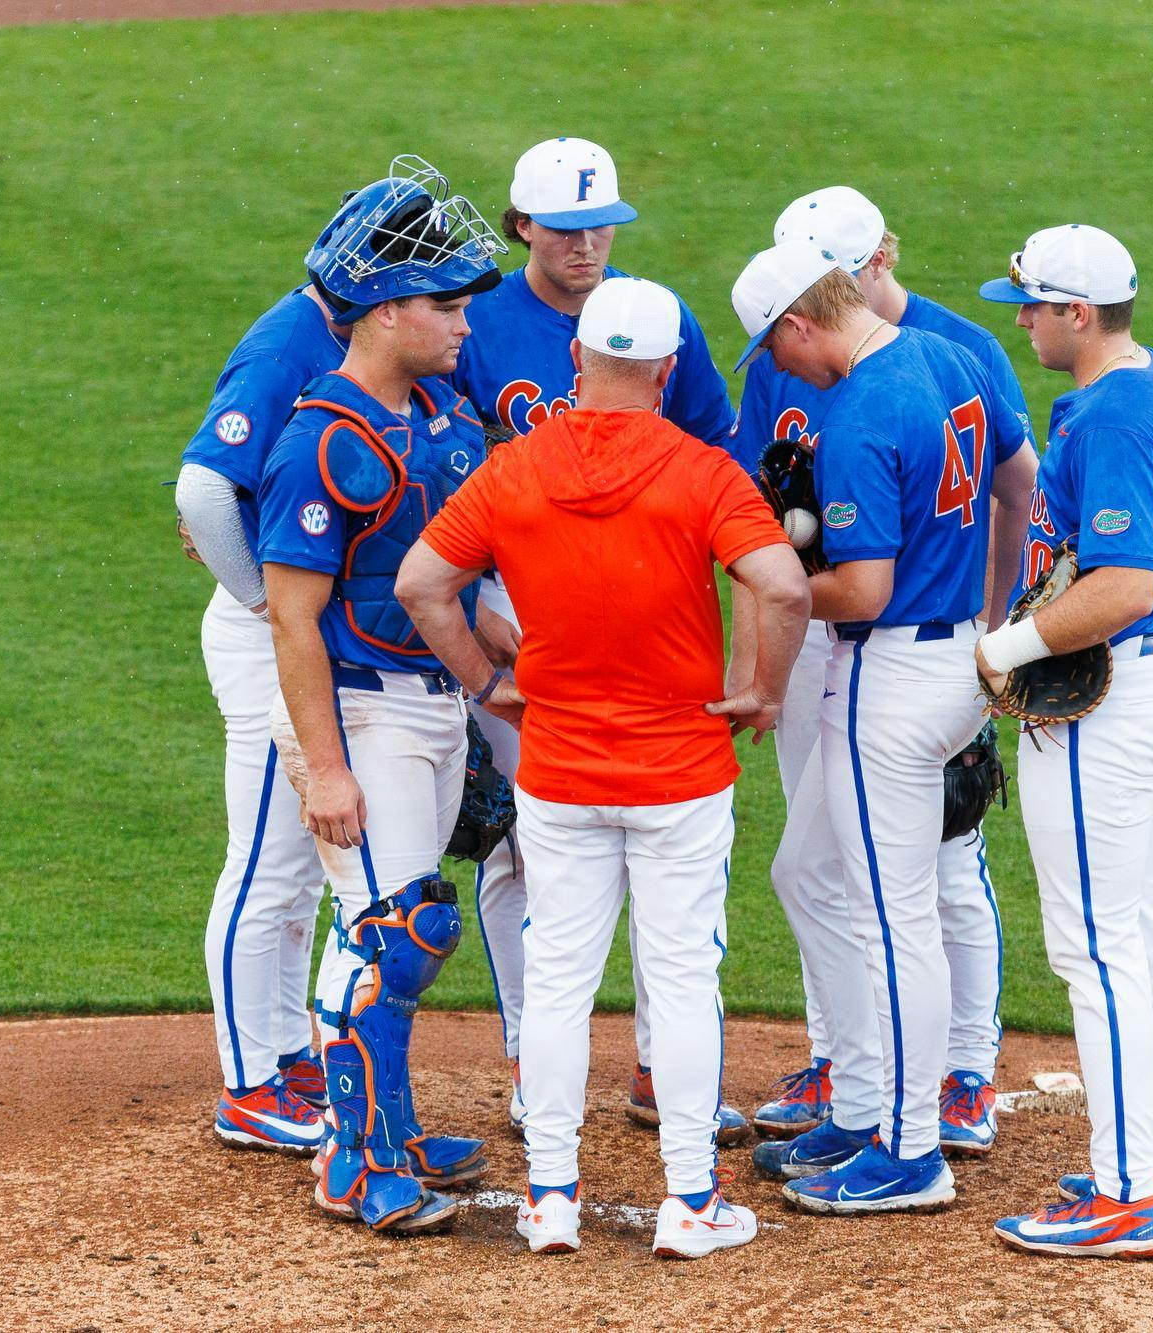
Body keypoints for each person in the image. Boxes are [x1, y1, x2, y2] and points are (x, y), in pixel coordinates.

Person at [398, 276, 809, 1259]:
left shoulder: (514, 469)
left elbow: (422, 583)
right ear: (667, 371)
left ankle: (547, 1199)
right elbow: (784, 585)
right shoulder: (700, 470)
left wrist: (487, 681)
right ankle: (690, 1202)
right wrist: (761, 687)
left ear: (576, 360)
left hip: (560, 770)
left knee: (555, 983)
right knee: (679, 981)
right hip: (679, 773)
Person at [446, 136, 748, 1141]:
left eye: (601, 226)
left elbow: (711, 457)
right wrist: (488, 646)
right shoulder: (477, 327)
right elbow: (449, 481)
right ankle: (535, 1066)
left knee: (671, 862)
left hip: (641, 614)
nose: (586, 246)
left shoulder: (657, 321)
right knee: (526, 848)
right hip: (511, 602)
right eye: (566, 229)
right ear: (521, 225)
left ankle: (662, 1069)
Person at [733, 188, 1037, 1153]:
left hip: (892, 670)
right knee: (810, 870)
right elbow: (1006, 482)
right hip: (950, 651)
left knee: (892, 912)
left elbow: (860, 589)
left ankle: (906, 1147)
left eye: (773, 348)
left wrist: (781, 586)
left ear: (798, 322)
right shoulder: (946, 358)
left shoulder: (860, 411)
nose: (776, 370)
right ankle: (862, 1102)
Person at [253, 158, 505, 1235]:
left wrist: (508, 690)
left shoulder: (442, 418)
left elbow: (460, 585)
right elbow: (291, 616)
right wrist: (325, 768)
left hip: (432, 705)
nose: (461, 326)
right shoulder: (325, 439)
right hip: (361, 708)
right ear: (385, 310)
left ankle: (387, 1132)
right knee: (392, 929)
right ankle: (352, 1163)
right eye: (444, 307)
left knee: (396, 927)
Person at [978, 223, 1153, 1260]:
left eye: (1031, 304)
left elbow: (1119, 587)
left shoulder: (1115, 413)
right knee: (1139, 931)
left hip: (1107, 707)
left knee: (1097, 947)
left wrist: (1008, 646)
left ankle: (1123, 1193)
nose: (1020, 318)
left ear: (1078, 314)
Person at [176, 189, 361, 1156]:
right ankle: (250, 1082)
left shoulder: (340, 329)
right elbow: (205, 491)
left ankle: (287, 1046)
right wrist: (264, 604)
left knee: (299, 870)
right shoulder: (291, 340)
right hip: (266, 638)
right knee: (269, 861)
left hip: (304, 629)